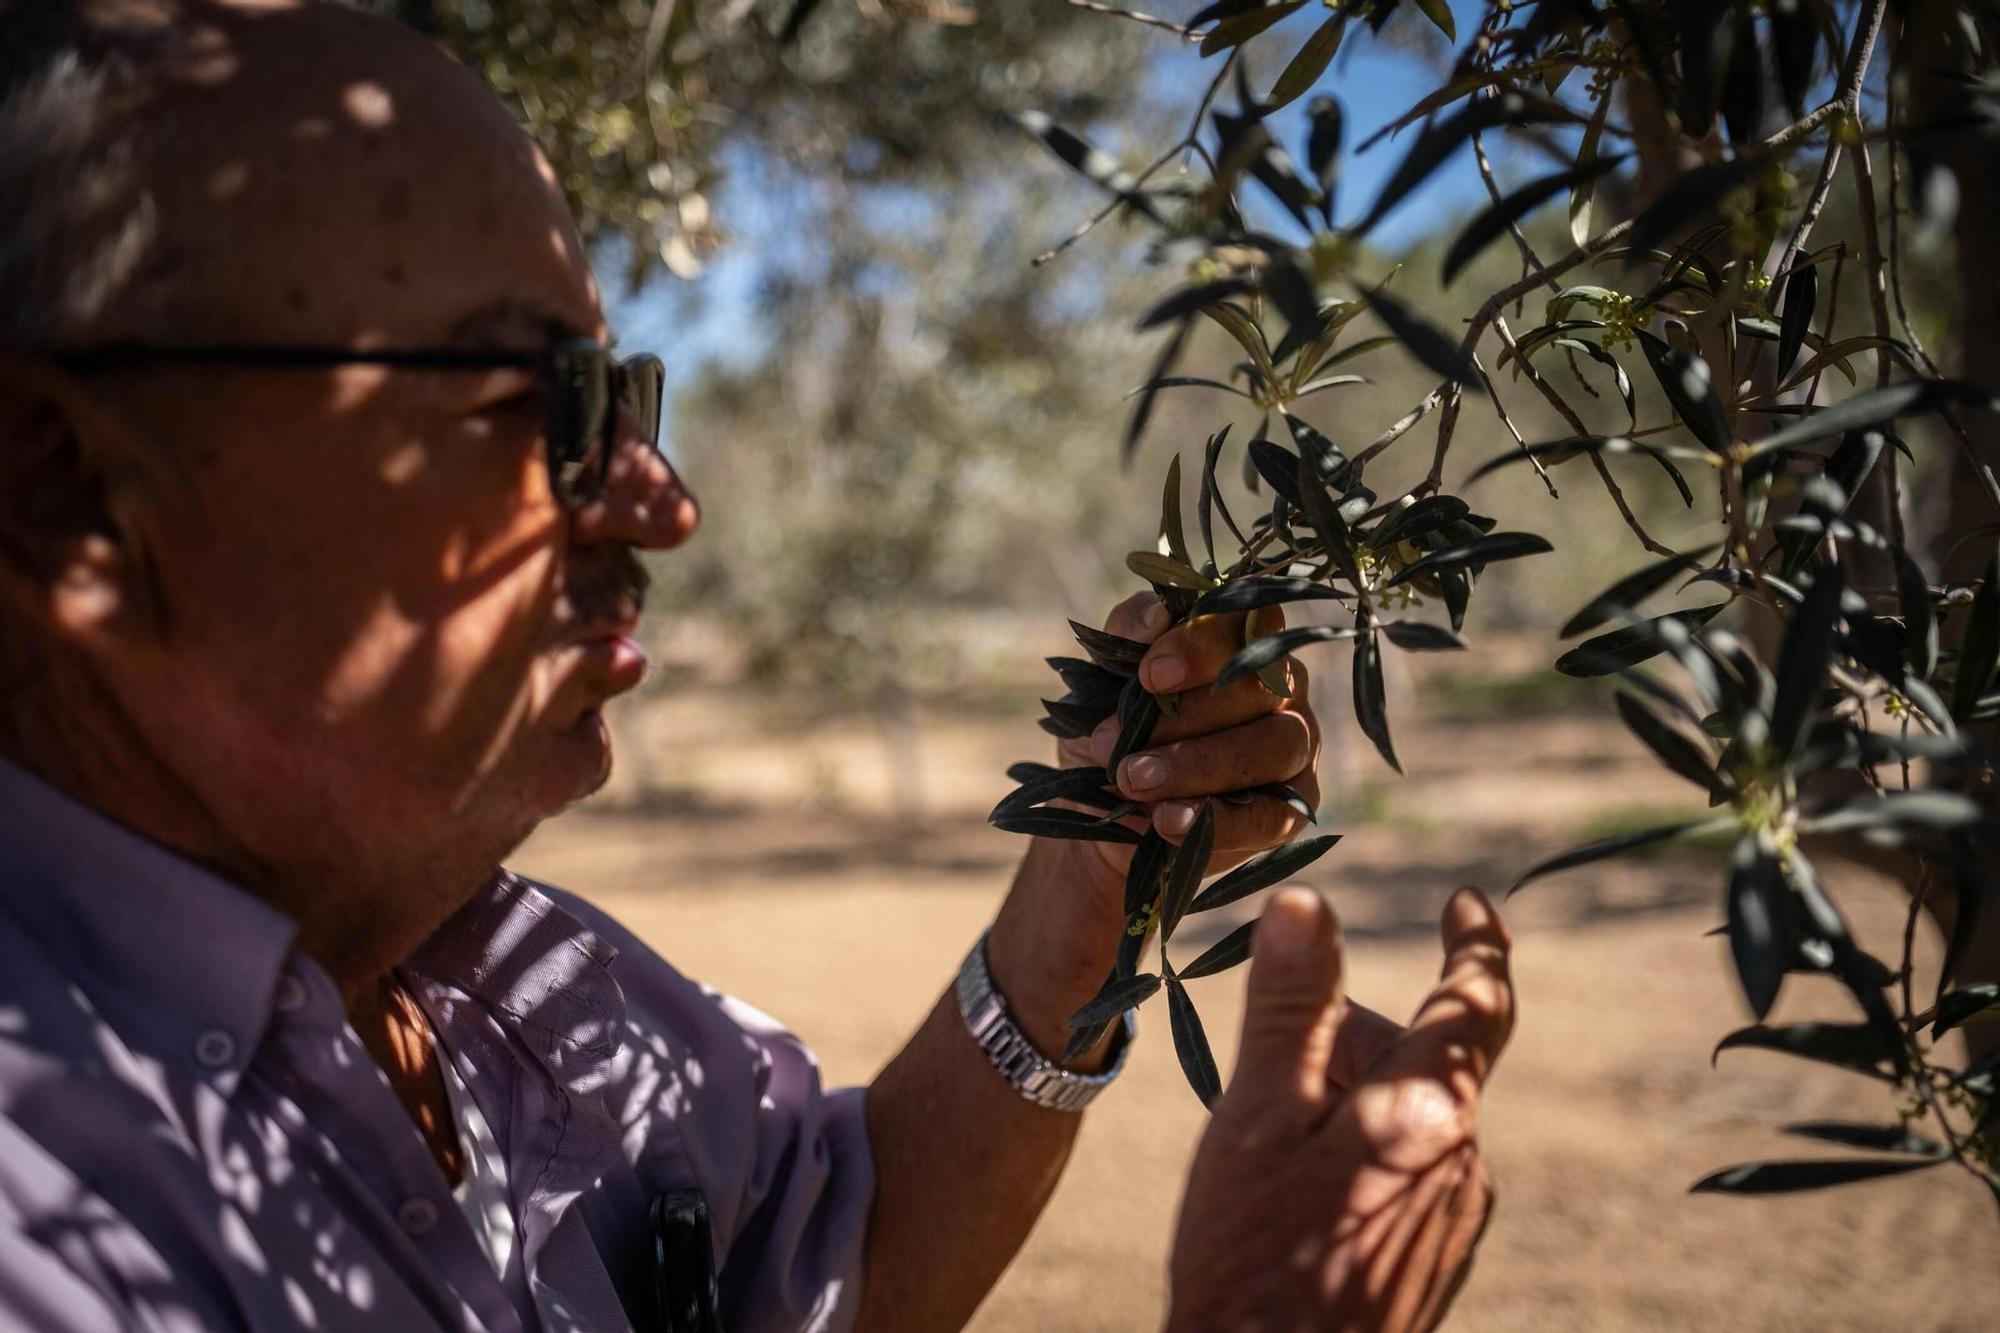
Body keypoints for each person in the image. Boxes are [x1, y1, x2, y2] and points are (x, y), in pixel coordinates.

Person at [0, 2, 1515, 1330]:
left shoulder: (503, 975)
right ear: (66, 488)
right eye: (522, 393)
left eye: (622, 388)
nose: (659, 497)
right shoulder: (45, 1226)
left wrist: (1083, 902)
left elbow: (823, 1261)